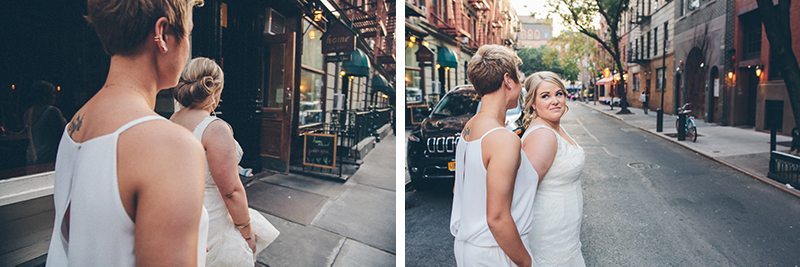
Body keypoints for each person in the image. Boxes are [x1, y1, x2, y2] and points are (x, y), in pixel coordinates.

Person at [46, 0, 208, 266]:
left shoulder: (75, 126)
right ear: (163, 34)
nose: (188, 47)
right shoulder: (170, 147)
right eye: (188, 32)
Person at [170, 57, 279, 266]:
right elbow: (231, 191)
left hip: (180, 215)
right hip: (211, 222)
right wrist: (247, 233)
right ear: (216, 90)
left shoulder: (172, 120)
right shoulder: (215, 129)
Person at [449, 44, 536, 267]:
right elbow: (497, 218)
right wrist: (526, 262)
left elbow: (461, 188)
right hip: (496, 252)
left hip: (468, 248)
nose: (521, 85)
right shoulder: (503, 139)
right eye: (519, 78)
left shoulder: (470, 127)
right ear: (508, 80)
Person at [519, 71, 586, 266]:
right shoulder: (543, 136)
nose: (555, 101)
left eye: (559, 94)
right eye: (545, 96)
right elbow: (523, 192)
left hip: (565, 230)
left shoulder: (554, 126)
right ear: (532, 102)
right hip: (550, 231)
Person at [23, 80, 67, 164]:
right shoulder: (52, 111)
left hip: (32, 155)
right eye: (52, 93)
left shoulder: (28, 112)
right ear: (45, 96)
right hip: (49, 155)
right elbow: (63, 132)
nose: (54, 96)